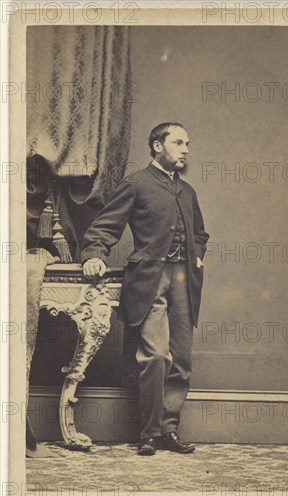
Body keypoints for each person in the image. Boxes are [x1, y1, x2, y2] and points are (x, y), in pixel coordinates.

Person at [81, 122, 209, 455]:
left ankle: (169, 430)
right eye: (178, 142)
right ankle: (149, 433)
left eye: (187, 143)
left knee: (180, 360)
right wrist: (94, 254)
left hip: (184, 281)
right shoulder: (136, 184)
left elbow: (200, 235)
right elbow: (105, 226)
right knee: (155, 355)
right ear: (156, 146)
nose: (185, 149)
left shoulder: (188, 191)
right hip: (150, 279)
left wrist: (198, 257)